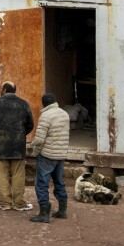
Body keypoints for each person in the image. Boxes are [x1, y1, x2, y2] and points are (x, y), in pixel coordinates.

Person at [0, 80, 35, 211]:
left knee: (2, 175)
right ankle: (19, 204)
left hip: (0, 146)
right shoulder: (24, 104)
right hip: (18, 147)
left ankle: (5, 203)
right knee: (18, 175)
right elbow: (30, 124)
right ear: (15, 90)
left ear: (4, 90)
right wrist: (21, 134)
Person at [30, 92, 71, 223]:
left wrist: (34, 148)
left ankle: (44, 213)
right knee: (59, 182)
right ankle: (62, 210)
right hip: (60, 155)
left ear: (44, 104)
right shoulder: (64, 114)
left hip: (47, 155)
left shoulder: (45, 116)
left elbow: (40, 139)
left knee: (42, 183)